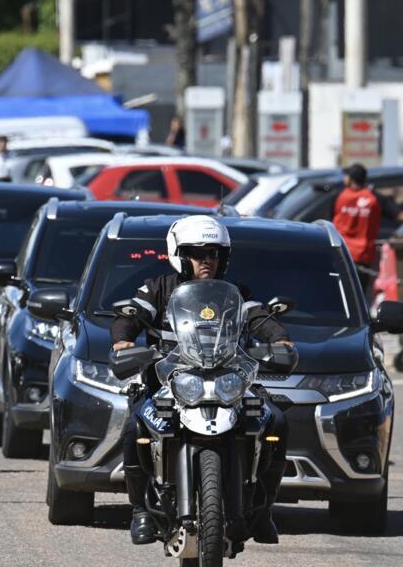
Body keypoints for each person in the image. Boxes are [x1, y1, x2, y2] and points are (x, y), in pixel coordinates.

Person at [111, 215, 292, 546]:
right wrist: (123, 340)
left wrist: (278, 339)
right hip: (169, 384)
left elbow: (257, 317)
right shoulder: (157, 289)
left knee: (276, 421)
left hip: (226, 382)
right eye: (197, 253)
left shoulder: (233, 293)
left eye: (213, 254)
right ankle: (139, 510)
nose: (206, 260)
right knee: (133, 426)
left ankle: (263, 510)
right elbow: (130, 317)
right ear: (179, 254)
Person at [328, 163, 403, 296]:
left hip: (341, 253)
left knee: (339, 293)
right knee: (357, 295)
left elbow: (329, 223)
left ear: (350, 179)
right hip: (362, 256)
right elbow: (400, 215)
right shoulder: (374, 198)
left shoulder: (340, 196)